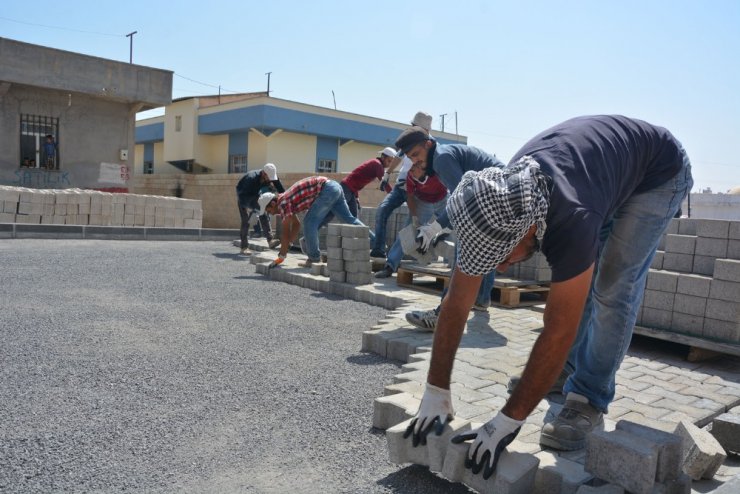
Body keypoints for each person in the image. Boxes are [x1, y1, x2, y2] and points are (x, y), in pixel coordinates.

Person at [404, 115, 692, 480]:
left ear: (528, 230)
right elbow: (457, 303)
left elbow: (557, 329)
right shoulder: (493, 200)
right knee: (581, 283)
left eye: (505, 257)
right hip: (601, 174)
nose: (503, 269)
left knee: (612, 286)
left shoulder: (570, 218)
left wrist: (508, 420)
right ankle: (564, 370)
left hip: (657, 174)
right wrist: (435, 390)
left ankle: (588, 396)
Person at [394, 126, 505, 328]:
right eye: (411, 157)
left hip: (496, 196)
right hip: (497, 195)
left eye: (417, 154)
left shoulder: (441, 159)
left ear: (428, 144)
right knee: (485, 247)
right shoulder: (442, 156)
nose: (416, 161)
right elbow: (463, 196)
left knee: (465, 250)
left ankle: (442, 316)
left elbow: (462, 200)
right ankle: (480, 300)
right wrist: (438, 226)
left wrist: (435, 227)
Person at [259, 176, 372, 268]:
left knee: (309, 222)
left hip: (326, 190)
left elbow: (286, 232)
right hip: (334, 186)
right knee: (349, 219)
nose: (271, 214)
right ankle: (375, 243)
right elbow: (296, 225)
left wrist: (282, 255)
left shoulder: (282, 203)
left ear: (273, 204)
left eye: (268, 210)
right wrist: (288, 244)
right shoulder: (285, 201)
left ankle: (314, 258)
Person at [371, 111, 433, 259]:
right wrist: (387, 174)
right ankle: (379, 250)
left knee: (410, 225)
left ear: (425, 129)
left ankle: (397, 260)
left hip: (416, 190)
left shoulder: (431, 145)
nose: (411, 128)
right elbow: (399, 156)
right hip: (401, 185)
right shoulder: (410, 139)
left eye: (414, 126)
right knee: (382, 210)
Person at [374, 159, 449, 278]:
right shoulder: (410, 177)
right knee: (408, 231)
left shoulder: (437, 173)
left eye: (414, 167)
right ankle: (390, 266)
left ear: (422, 167)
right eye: (410, 168)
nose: (411, 170)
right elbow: (410, 197)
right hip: (423, 202)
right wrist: (414, 218)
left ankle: (451, 266)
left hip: (442, 200)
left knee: (450, 229)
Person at [322, 147, 395, 226]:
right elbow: (384, 182)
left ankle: (352, 237)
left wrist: (356, 197)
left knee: (354, 216)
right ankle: (313, 229)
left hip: (351, 190)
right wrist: (394, 195)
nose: (389, 164)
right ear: (383, 157)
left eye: (391, 162)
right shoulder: (377, 164)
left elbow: (357, 179)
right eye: (389, 161)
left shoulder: (377, 164)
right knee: (333, 211)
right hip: (346, 189)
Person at [235, 163, 284, 255]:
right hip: (243, 197)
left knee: (263, 212)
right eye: (269, 178)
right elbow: (240, 194)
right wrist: (249, 209)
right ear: (263, 174)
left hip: (256, 196)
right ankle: (244, 247)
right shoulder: (250, 178)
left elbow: (280, 188)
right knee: (246, 221)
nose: (270, 180)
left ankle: (270, 240)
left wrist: (285, 199)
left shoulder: (270, 176)